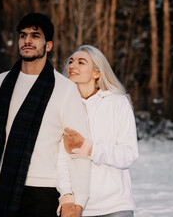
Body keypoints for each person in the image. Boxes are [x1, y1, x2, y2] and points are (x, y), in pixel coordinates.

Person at [0, 13, 91, 217]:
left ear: (48, 45)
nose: (27, 40)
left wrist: (77, 200)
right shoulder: (2, 82)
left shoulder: (65, 88)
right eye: (23, 35)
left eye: (35, 36)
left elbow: (76, 150)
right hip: (3, 187)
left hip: (43, 192)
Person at [59, 45, 139, 217]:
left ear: (97, 73)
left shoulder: (117, 102)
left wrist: (90, 149)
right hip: (77, 208)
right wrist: (66, 196)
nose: (72, 66)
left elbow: (129, 154)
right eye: (71, 62)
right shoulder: (62, 106)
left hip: (115, 207)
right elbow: (60, 159)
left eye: (81, 62)